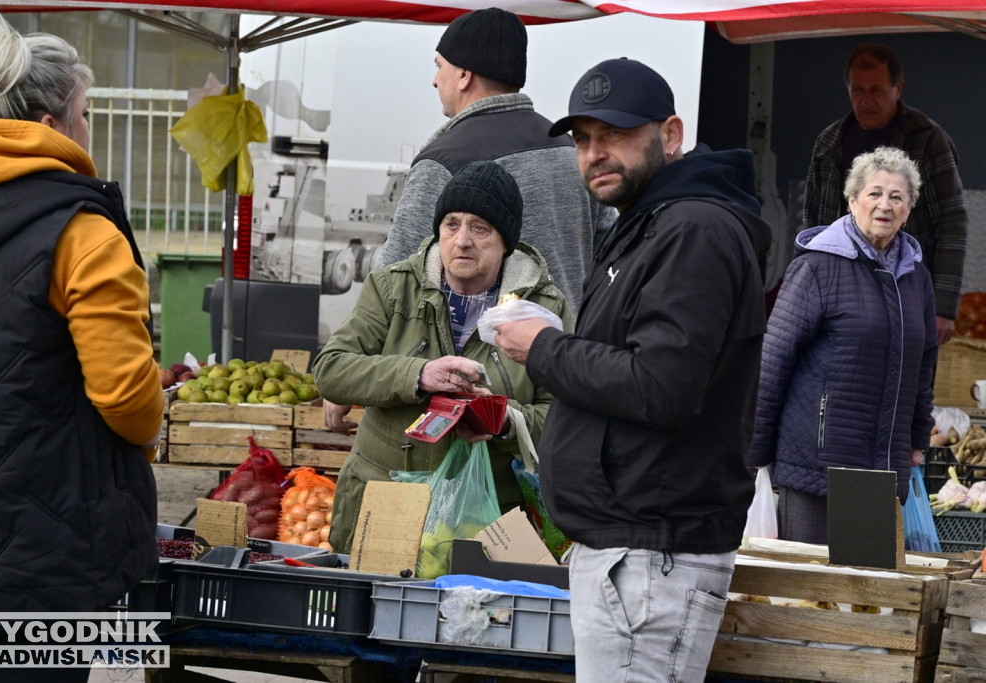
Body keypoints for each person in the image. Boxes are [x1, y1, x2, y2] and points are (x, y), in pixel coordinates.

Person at [491, 58, 771, 682]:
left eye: (614, 134)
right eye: (583, 139)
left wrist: (544, 347)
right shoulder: (650, 222)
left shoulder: (693, 230)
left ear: (670, 135)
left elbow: (661, 386)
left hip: (652, 558)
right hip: (633, 550)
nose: (595, 153)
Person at [0, 13, 163, 682]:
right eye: (85, 114)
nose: (88, 129)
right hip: (45, 552)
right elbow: (127, 396)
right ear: (50, 125)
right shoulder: (82, 233)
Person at [312, 160, 573, 554]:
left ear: (506, 241)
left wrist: (505, 419)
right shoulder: (393, 288)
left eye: (480, 228)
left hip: (489, 516)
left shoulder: (544, 311)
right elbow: (331, 368)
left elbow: (567, 417)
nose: (462, 240)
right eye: (452, 224)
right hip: (387, 499)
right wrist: (418, 375)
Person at [749, 146, 937, 544]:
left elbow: (924, 366)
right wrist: (756, 450)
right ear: (852, 200)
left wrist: (917, 439)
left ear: (908, 210)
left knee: (866, 582)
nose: (884, 205)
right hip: (815, 463)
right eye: (874, 193)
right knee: (807, 581)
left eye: (897, 197)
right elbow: (774, 359)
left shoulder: (916, 277)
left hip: (882, 469)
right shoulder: (816, 267)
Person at [372, 6, 614, 314]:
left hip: (480, 344)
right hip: (566, 341)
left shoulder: (445, 160)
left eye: (439, 67)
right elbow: (610, 258)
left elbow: (390, 284)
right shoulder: (573, 152)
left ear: (463, 75)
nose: (434, 80)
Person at [803, 43, 966, 346]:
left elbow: (952, 221)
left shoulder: (927, 139)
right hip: (841, 289)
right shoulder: (829, 144)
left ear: (898, 88)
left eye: (876, 90)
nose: (866, 101)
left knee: (907, 370)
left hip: (910, 288)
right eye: (857, 90)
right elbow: (812, 224)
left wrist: (944, 306)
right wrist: (805, 291)